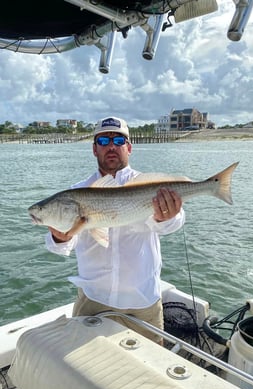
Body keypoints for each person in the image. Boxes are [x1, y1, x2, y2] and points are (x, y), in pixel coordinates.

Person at [46, 116, 185, 344]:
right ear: (94, 149)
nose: (111, 146)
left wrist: (167, 216)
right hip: (92, 300)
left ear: (129, 147)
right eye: (103, 140)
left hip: (143, 301)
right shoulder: (76, 193)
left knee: (148, 369)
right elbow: (62, 244)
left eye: (119, 139)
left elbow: (174, 223)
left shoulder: (148, 186)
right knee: (86, 367)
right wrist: (57, 237)